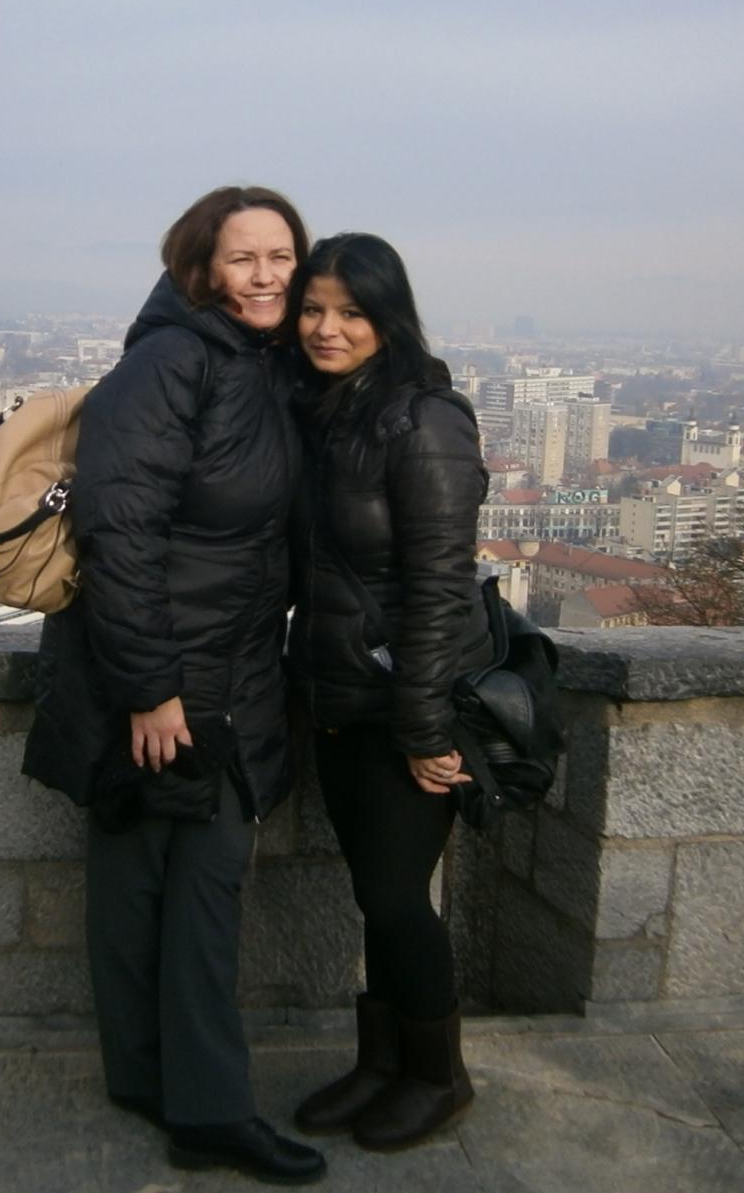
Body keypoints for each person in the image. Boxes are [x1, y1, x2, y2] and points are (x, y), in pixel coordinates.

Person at [22, 185, 326, 1185]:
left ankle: (143, 1075)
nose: (268, 275)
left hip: (215, 666)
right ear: (200, 269)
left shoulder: (257, 363)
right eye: (245, 258)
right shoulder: (170, 364)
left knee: (140, 879)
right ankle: (210, 1112)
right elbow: (119, 531)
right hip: (179, 681)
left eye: (281, 255)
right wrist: (153, 691)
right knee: (201, 891)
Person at [283, 233, 494, 1152]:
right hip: (338, 695)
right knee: (376, 893)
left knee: (400, 896)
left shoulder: (424, 421)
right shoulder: (325, 410)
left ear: (389, 318)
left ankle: (439, 1075)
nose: (327, 328)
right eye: (313, 309)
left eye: (351, 312)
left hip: (403, 704)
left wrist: (425, 726)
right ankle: (381, 1063)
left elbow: (441, 585)